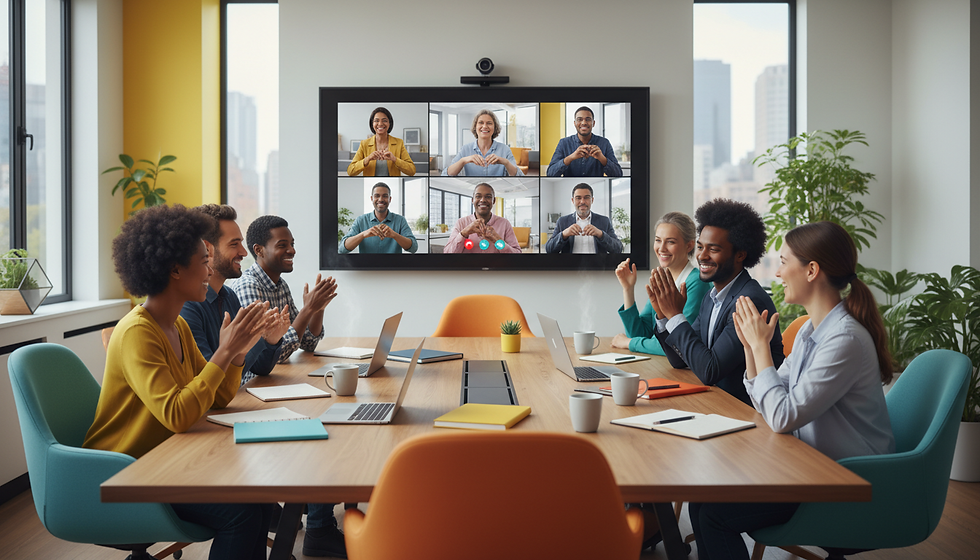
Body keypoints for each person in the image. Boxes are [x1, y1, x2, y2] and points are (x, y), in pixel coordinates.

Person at [690, 221, 896, 560]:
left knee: (714, 515)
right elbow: (768, 400)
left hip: (842, 482)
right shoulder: (811, 330)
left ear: (811, 270)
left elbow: (783, 416)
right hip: (805, 466)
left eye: (784, 262)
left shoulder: (844, 339)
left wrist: (761, 347)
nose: (778, 273)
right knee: (701, 501)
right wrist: (749, 348)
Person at [83, 204, 276, 560]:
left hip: (167, 463)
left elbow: (217, 398)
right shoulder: (138, 332)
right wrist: (224, 352)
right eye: (203, 262)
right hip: (126, 473)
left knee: (259, 502)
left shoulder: (178, 326)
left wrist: (236, 354)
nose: (209, 271)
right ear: (174, 269)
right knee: (242, 514)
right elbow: (178, 415)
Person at [234, 215, 346, 557]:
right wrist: (307, 310)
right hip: (252, 392)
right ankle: (319, 528)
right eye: (282, 245)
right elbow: (277, 349)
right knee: (322, 426)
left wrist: (317, 310)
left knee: (332, 413)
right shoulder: (249, 287)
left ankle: (313, 510)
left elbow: (305, 343)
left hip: (275, 384)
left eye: (292, 244)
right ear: (259, 250)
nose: (292, 250)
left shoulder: (279, 284)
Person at [648, 198, 784, 406]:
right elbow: (680, 359)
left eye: (713, 249)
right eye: (700, 247)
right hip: (717, 404)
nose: (702, 256)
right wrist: (663, 316)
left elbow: (709, 371)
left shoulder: (748, 301)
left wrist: (675, 315)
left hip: (744, 411)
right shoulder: (711, 298)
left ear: (740, 255)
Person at [181, 204, 291, 385]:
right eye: (234, 244)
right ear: (207, 249)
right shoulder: (186, 307)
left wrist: (270, 340)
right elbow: (211, 382)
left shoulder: (229, 297)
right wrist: (240, 349)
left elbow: (260, 368)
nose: (244, 252)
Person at [613, 212, 710, 355]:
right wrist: (628, 289)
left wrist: (629, 343)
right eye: (658, 240)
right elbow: (640, 333)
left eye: (670, 242)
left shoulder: (697, 283)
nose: (662, 248)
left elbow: (677, 344)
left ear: (689, 245)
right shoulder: (662, 280)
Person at [339, 182, 418, 254]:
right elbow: (342, 249)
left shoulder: (400, 220)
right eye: (377, 196)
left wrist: (395, 235)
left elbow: (413, 248)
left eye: (385, 196)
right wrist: (363, 235)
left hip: (393, 265)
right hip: (367, 265)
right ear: (371, 198)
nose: (380, 199)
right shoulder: (360, 220)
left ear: (390, 199)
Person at [443, 183, 522, 254]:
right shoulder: (461, 223)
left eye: (488, 197)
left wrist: (497, 240)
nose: (483, 200)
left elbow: (517, 255)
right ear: (472, 200)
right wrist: (464, 233)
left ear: (494, 201)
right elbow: (447, 254)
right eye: (478, 196)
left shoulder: (504, 224)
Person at [544, 183, 622, 254]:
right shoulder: (562, 221)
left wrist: (601, 234)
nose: (582, 201)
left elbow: (618, 249)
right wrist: (564, 235)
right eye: (578, 198)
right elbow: (549, 249)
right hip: (570, 264)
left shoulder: (604, 221)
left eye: (586, 198)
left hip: (597, 265)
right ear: (573, 200)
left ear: (592, 200)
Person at [442, 110, 524, 177]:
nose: (484, 126)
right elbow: (446, 174)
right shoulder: (465, 149)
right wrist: (463, 161)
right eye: (481, 122)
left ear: (495, 127)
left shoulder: (505, 149)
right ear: (475, 126)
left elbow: (519, 176)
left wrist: (505, 162)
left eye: (489, 123)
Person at [546, 106, 623, 177]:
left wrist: (602, 158)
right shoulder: (563, 143)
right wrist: (570, 158)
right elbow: (550, 174)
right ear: (575, 123)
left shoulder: (604, 143)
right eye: (579, 119)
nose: (584, 123)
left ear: (593, 123)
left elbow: (618, 174)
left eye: (588, 119)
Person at [346, 106, 416, 177]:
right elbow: (350, 171)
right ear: (372, 124)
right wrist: (367, 159)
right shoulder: (364, 144)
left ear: (389, 123)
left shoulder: (399, 143)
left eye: (384, 120)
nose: (380, 124)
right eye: (376, 120)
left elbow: (412, 171)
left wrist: (395, 159)